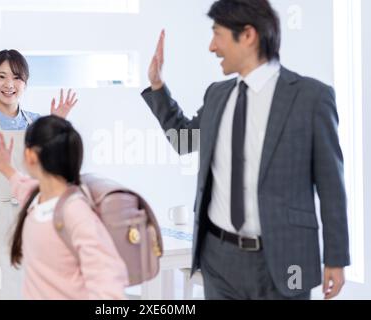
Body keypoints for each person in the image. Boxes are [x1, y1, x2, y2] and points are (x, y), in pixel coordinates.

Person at [141, 0, 349, 300]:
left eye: (217, 34)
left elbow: (331, 185)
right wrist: (157, 85)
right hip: (219, 260)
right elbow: (183, 140)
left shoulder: (311, 98)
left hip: (284, 260)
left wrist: (336, 257)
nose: (212, 47)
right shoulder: (217, 95)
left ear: (248, 35)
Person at [0, 49, 77, 299]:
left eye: (16, 77)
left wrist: (55, 128)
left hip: (30, 217)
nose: (9, 84)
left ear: (25, 82)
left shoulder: (36, 124)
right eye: (1, 77)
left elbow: (52, 178)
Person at [0, 116, 128, 299]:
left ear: (30, 156)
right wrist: (7, 169)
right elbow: (23, 187)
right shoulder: (39, 198)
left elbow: (108, 282)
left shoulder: (75, 213)